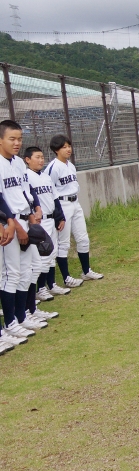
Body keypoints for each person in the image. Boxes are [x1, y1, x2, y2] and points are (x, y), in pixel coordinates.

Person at [0, 120, 46, 339]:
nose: (17, 143)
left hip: (24, 219)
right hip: (9, 224)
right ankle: (10, 322)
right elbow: (2, 199)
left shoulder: (18, 163)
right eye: (12, 139)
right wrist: (16, 225)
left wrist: (32, 213)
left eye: (19, 138)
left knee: (27, 271)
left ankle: (22, 316)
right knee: (11, 274)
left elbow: (24, 191)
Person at [45, 134, 103, 288]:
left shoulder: (70, 165)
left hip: (75, 202)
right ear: (56, 150)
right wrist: (57, 213)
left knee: (83, 238)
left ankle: (86, 271)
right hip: (62, 204)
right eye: (64, 147)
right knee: (63, 243)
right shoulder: (53, 167)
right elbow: (48, 191)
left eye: (69, 146)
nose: (68, 149)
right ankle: (66, 278)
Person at [22, 146, 62, 322]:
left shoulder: (45, 176)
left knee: (49, 256)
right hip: (33, 222)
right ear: (27, 159)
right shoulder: (26, 175)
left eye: (42, 157)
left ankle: (44, 290)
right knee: (33, 264)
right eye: (37, 157)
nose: (41, 160)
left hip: (47, 218)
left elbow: (53, 198)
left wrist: (59, 216)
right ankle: (31, 301)